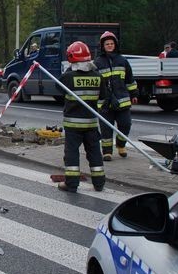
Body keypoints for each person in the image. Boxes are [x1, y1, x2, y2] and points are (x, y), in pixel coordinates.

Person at [57, 41, 107, 193]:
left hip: (73, 125)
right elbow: (103, 98)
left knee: (72, 154)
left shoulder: (68, 77)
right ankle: (99, 183)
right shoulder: (98, 76)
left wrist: (67, 71)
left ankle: (71, 184)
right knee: (95, 153)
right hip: (91, 123)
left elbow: (59, 88)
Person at [94, 31, 139, 161]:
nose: (109, 45)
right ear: (103, 46)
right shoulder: (97, 62)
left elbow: (130, 79)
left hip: (122, 101)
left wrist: (134, 93)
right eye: (107, 44)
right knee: (106, 129)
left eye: (111, 43)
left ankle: (121, 145)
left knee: (125, 125)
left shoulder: (123, 61)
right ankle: (107, 152)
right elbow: (98, 84)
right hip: (105, 103)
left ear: (115, 45)